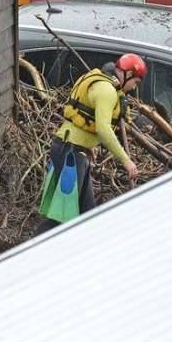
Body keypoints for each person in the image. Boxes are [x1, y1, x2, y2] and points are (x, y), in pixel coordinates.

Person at [35, 53, 146, 235]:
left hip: (74, 149)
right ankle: (29, 253)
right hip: (70, 153)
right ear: (127, 74)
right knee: (61, 217)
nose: (134, 88)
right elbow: (103, 129)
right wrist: (126, 161)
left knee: (87, 212)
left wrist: (88, 145)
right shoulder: (107, 91)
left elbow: (88, 122)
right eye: (136, 82)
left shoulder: (102, 83)